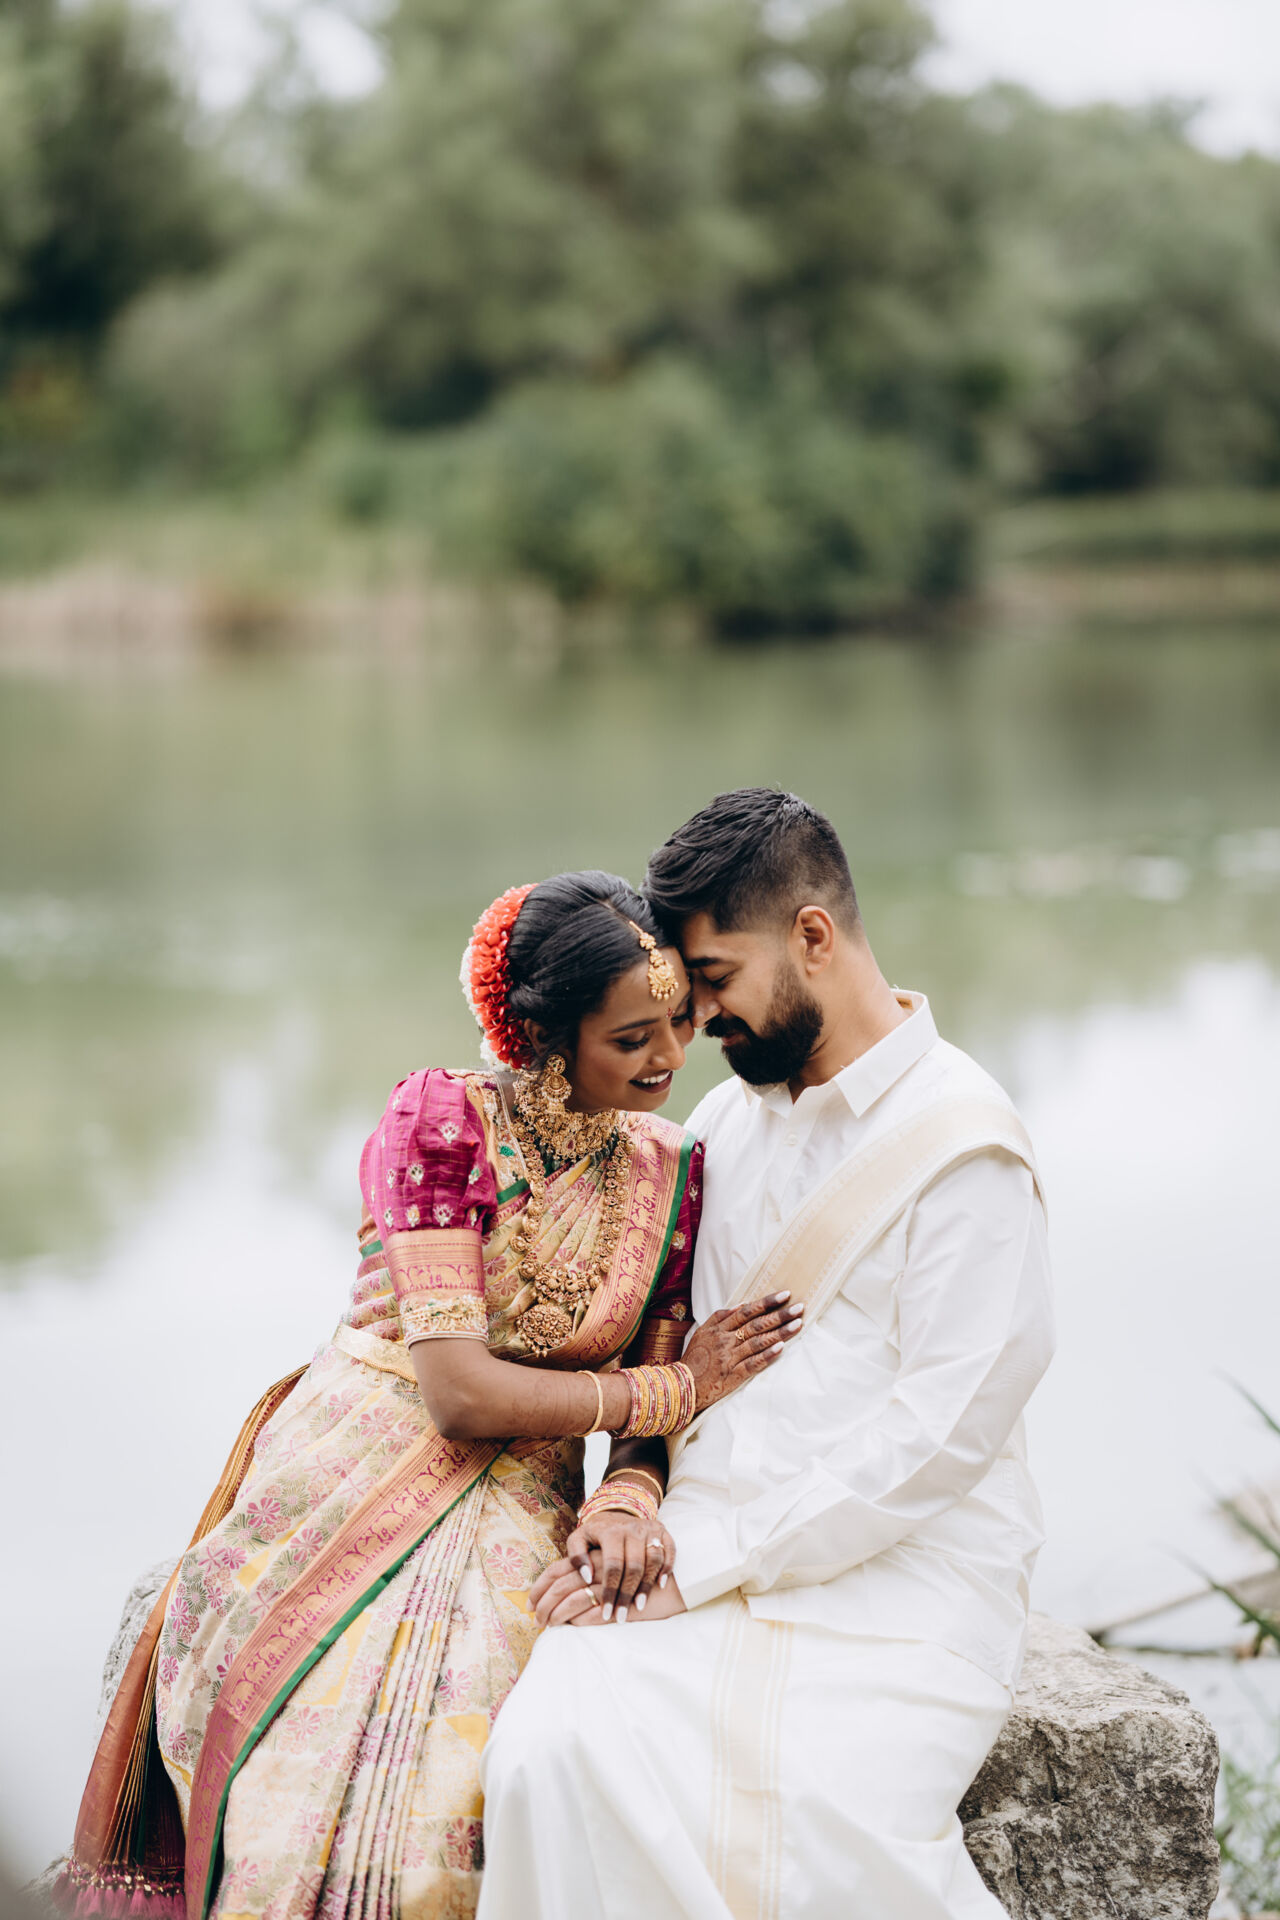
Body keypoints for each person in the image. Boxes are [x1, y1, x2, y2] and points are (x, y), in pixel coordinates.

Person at [59, 872, 800, 1920]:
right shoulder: (443, 1120)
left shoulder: (674, 1170)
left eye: (679, 1022)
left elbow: (652, 1403)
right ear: (542, 1038)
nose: (670, 1058)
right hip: (363, 1449)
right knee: (300, 1765)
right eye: (631, 1038)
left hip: (526, 1487)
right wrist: (677, 1388)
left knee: (487, 1745)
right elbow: (459, 1392)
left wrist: (627, 1501)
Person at [477, 792, 1056, 1920]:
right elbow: (658, 1356)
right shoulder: (717, 1130)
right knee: (548, 1752)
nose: (694, 1019)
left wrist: (704, 1560)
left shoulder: (967, 1147)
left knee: (818, 1824)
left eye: (712, 979)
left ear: (812, 936)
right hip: (690, 1551)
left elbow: (939, 1439)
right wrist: (633, 1501)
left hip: (901, 1576)